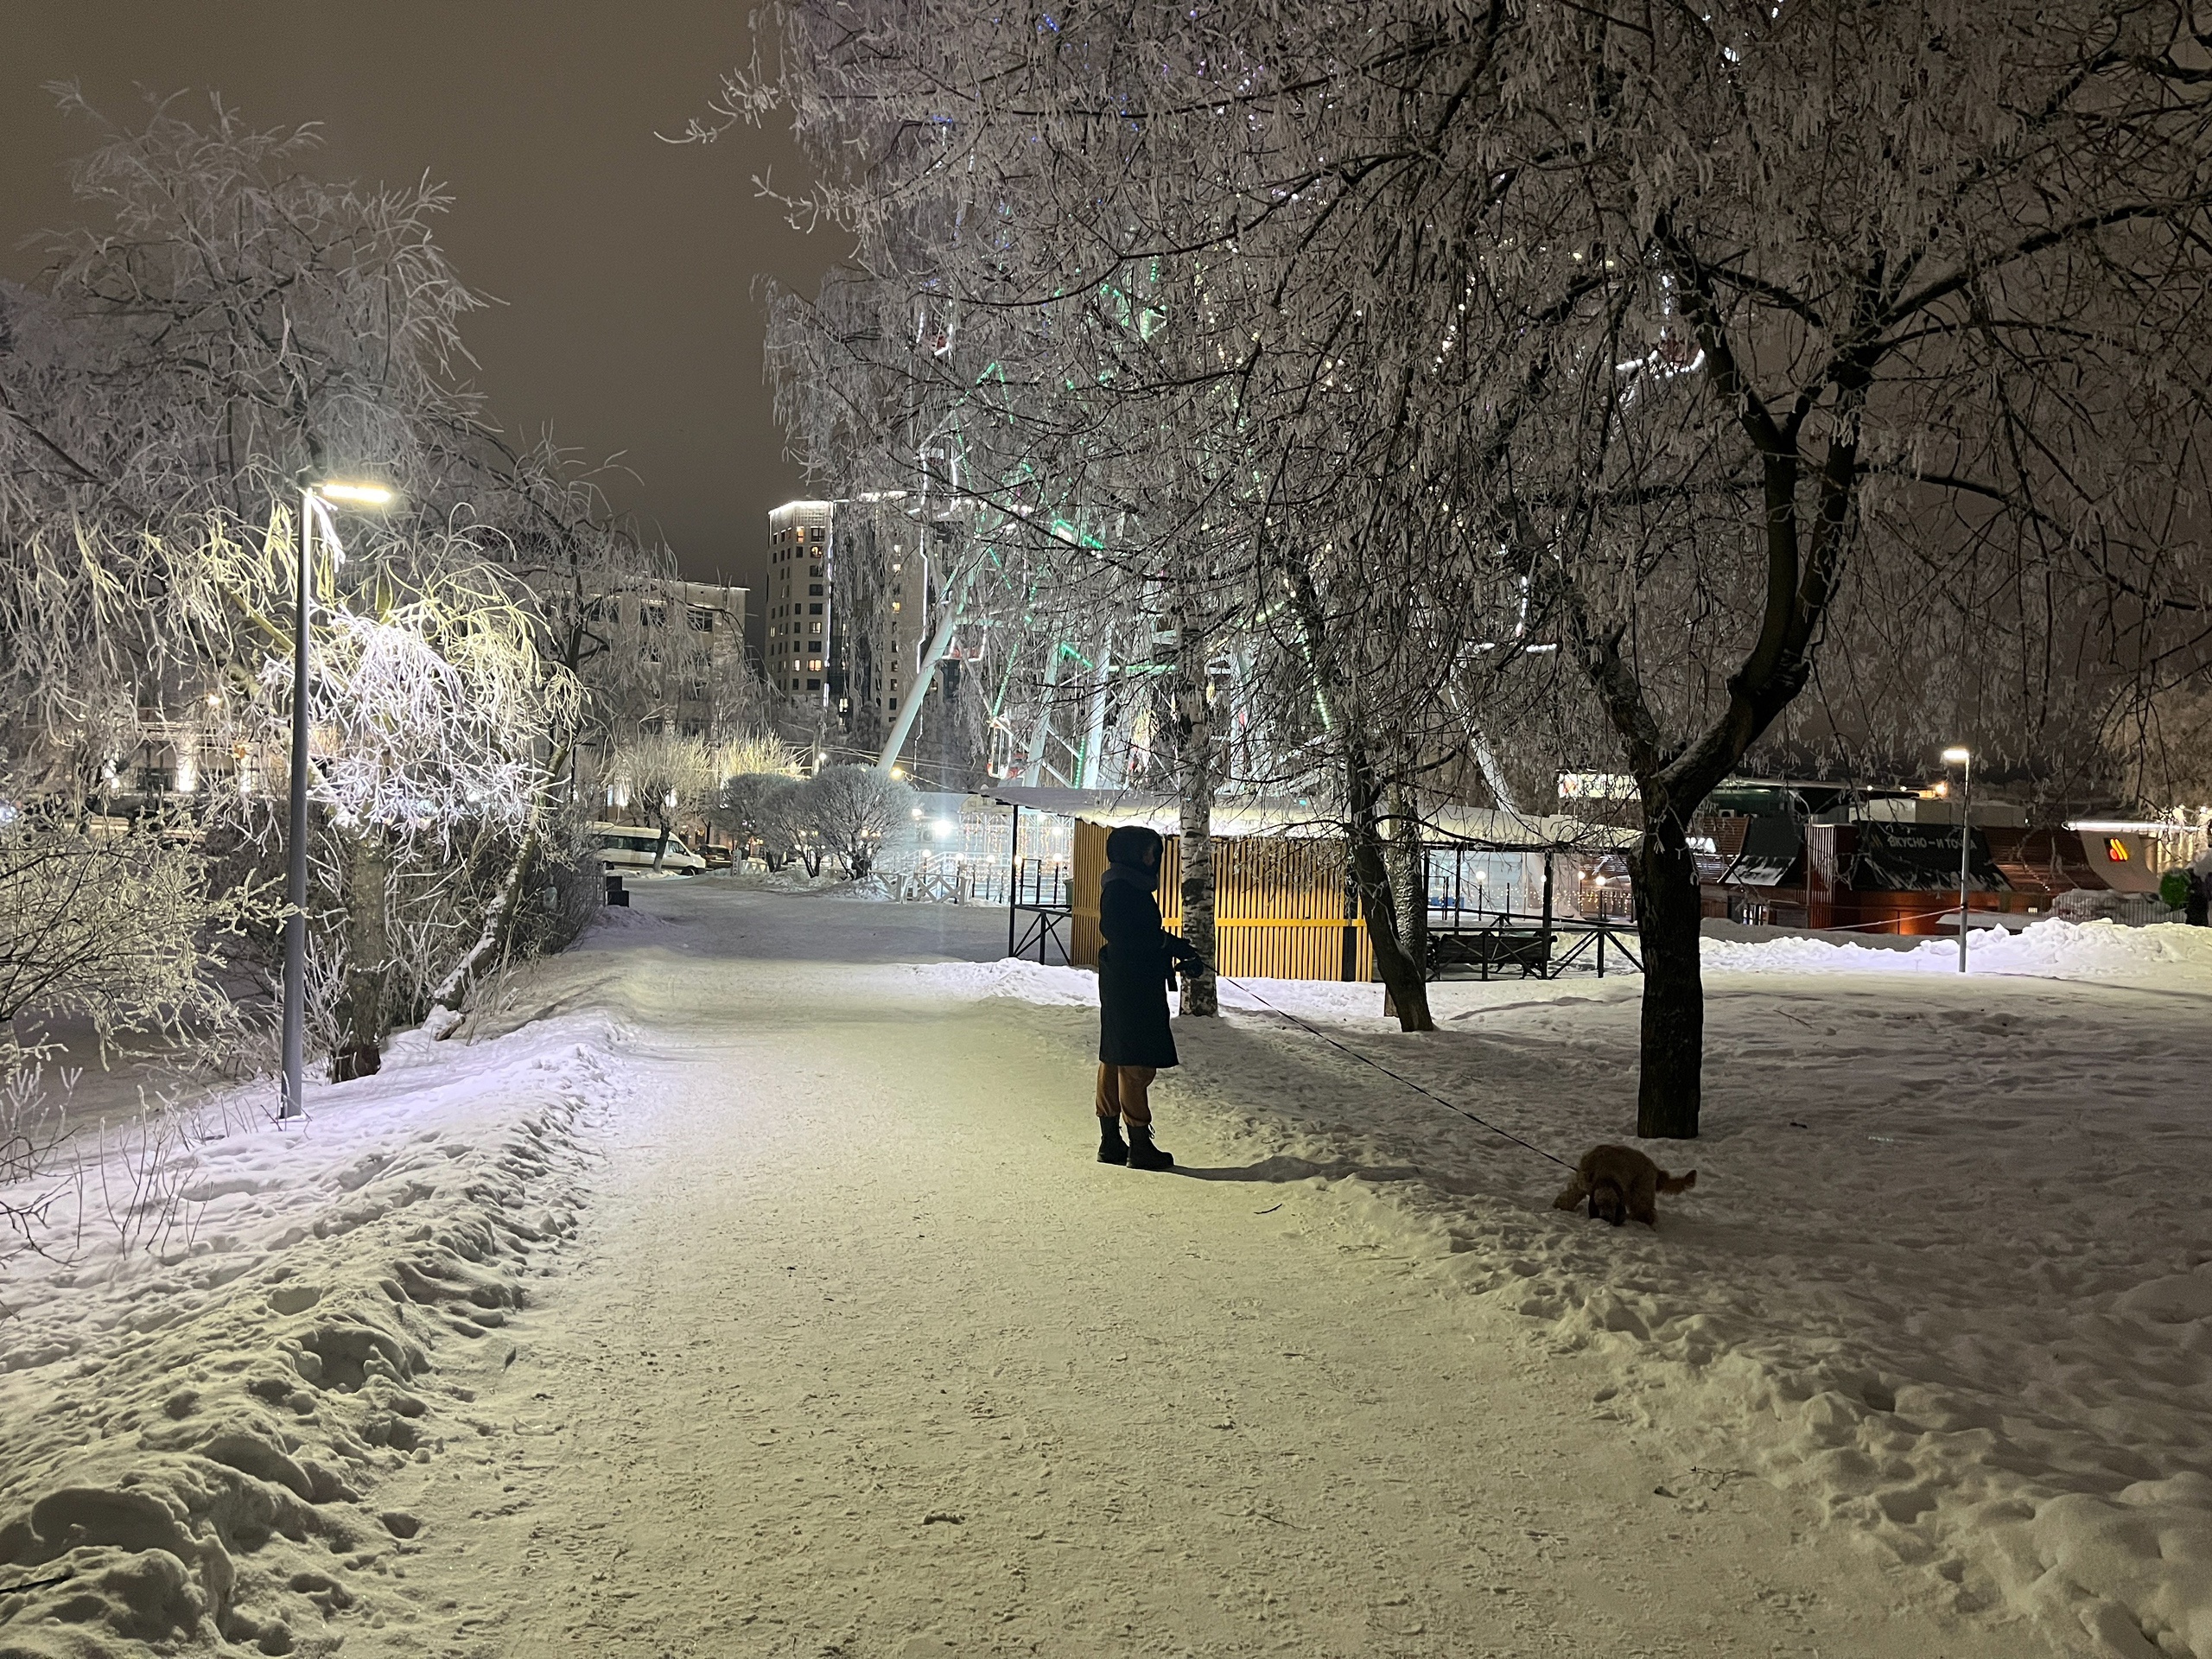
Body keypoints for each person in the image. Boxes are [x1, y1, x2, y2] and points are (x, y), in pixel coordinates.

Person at [1095, 824, 1199, 1170]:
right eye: (1148, 852)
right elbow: (1127, 934)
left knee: (1115, 1057)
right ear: (1132, 854)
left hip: (1124, 980)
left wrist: (1170, 946)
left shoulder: (1123, 886)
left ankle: (1111, 1140)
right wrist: (1165, 945)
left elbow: (1137, 934)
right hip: (1133, 985)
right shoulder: (1124, 889)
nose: (1152, 858)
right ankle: (1139, 1144)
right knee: (1135, 1063)